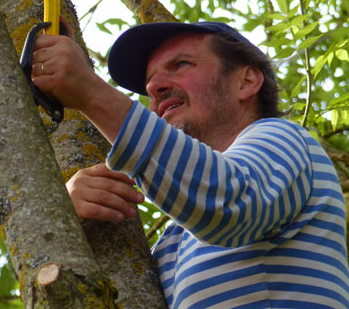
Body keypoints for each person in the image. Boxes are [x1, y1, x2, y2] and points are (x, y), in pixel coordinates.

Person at [32, 21, 349, 308]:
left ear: (246, 81)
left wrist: (91, 94)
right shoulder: (175, 237)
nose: (154, 89)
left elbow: (230, 201)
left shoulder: (286, 140)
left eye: (180, 64)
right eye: (148, 85)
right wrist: (69, 221)